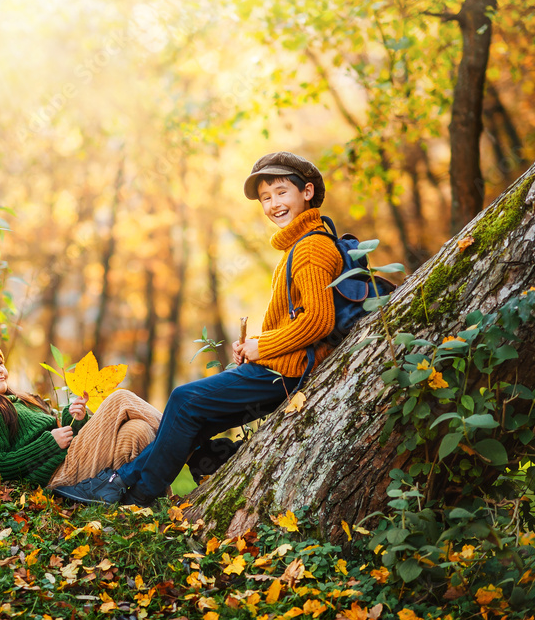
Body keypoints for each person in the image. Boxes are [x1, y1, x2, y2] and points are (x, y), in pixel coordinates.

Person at [60, 151, 344, 506]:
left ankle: (136, 495)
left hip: (286, 372)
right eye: (265, 198)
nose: (273, 204)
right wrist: (257, 343)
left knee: (184, 400)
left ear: (307, 191)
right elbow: (299, 318)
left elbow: (319, 320)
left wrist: (261, 348)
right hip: (281, 366)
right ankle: (115, 483)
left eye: (281, 192)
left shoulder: (311, 248)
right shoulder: (299, 245)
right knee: (192, 422)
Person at [0, 333, 161, 501]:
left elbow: (60, 434)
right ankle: (183, 437)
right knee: (119, 399)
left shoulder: (18, 400)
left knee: (138, 430)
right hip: (59, 475)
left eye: (0, 362)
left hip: (71, 462)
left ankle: (149, 502)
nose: (0, 369)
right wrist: (50, 444)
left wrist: (75, 418)